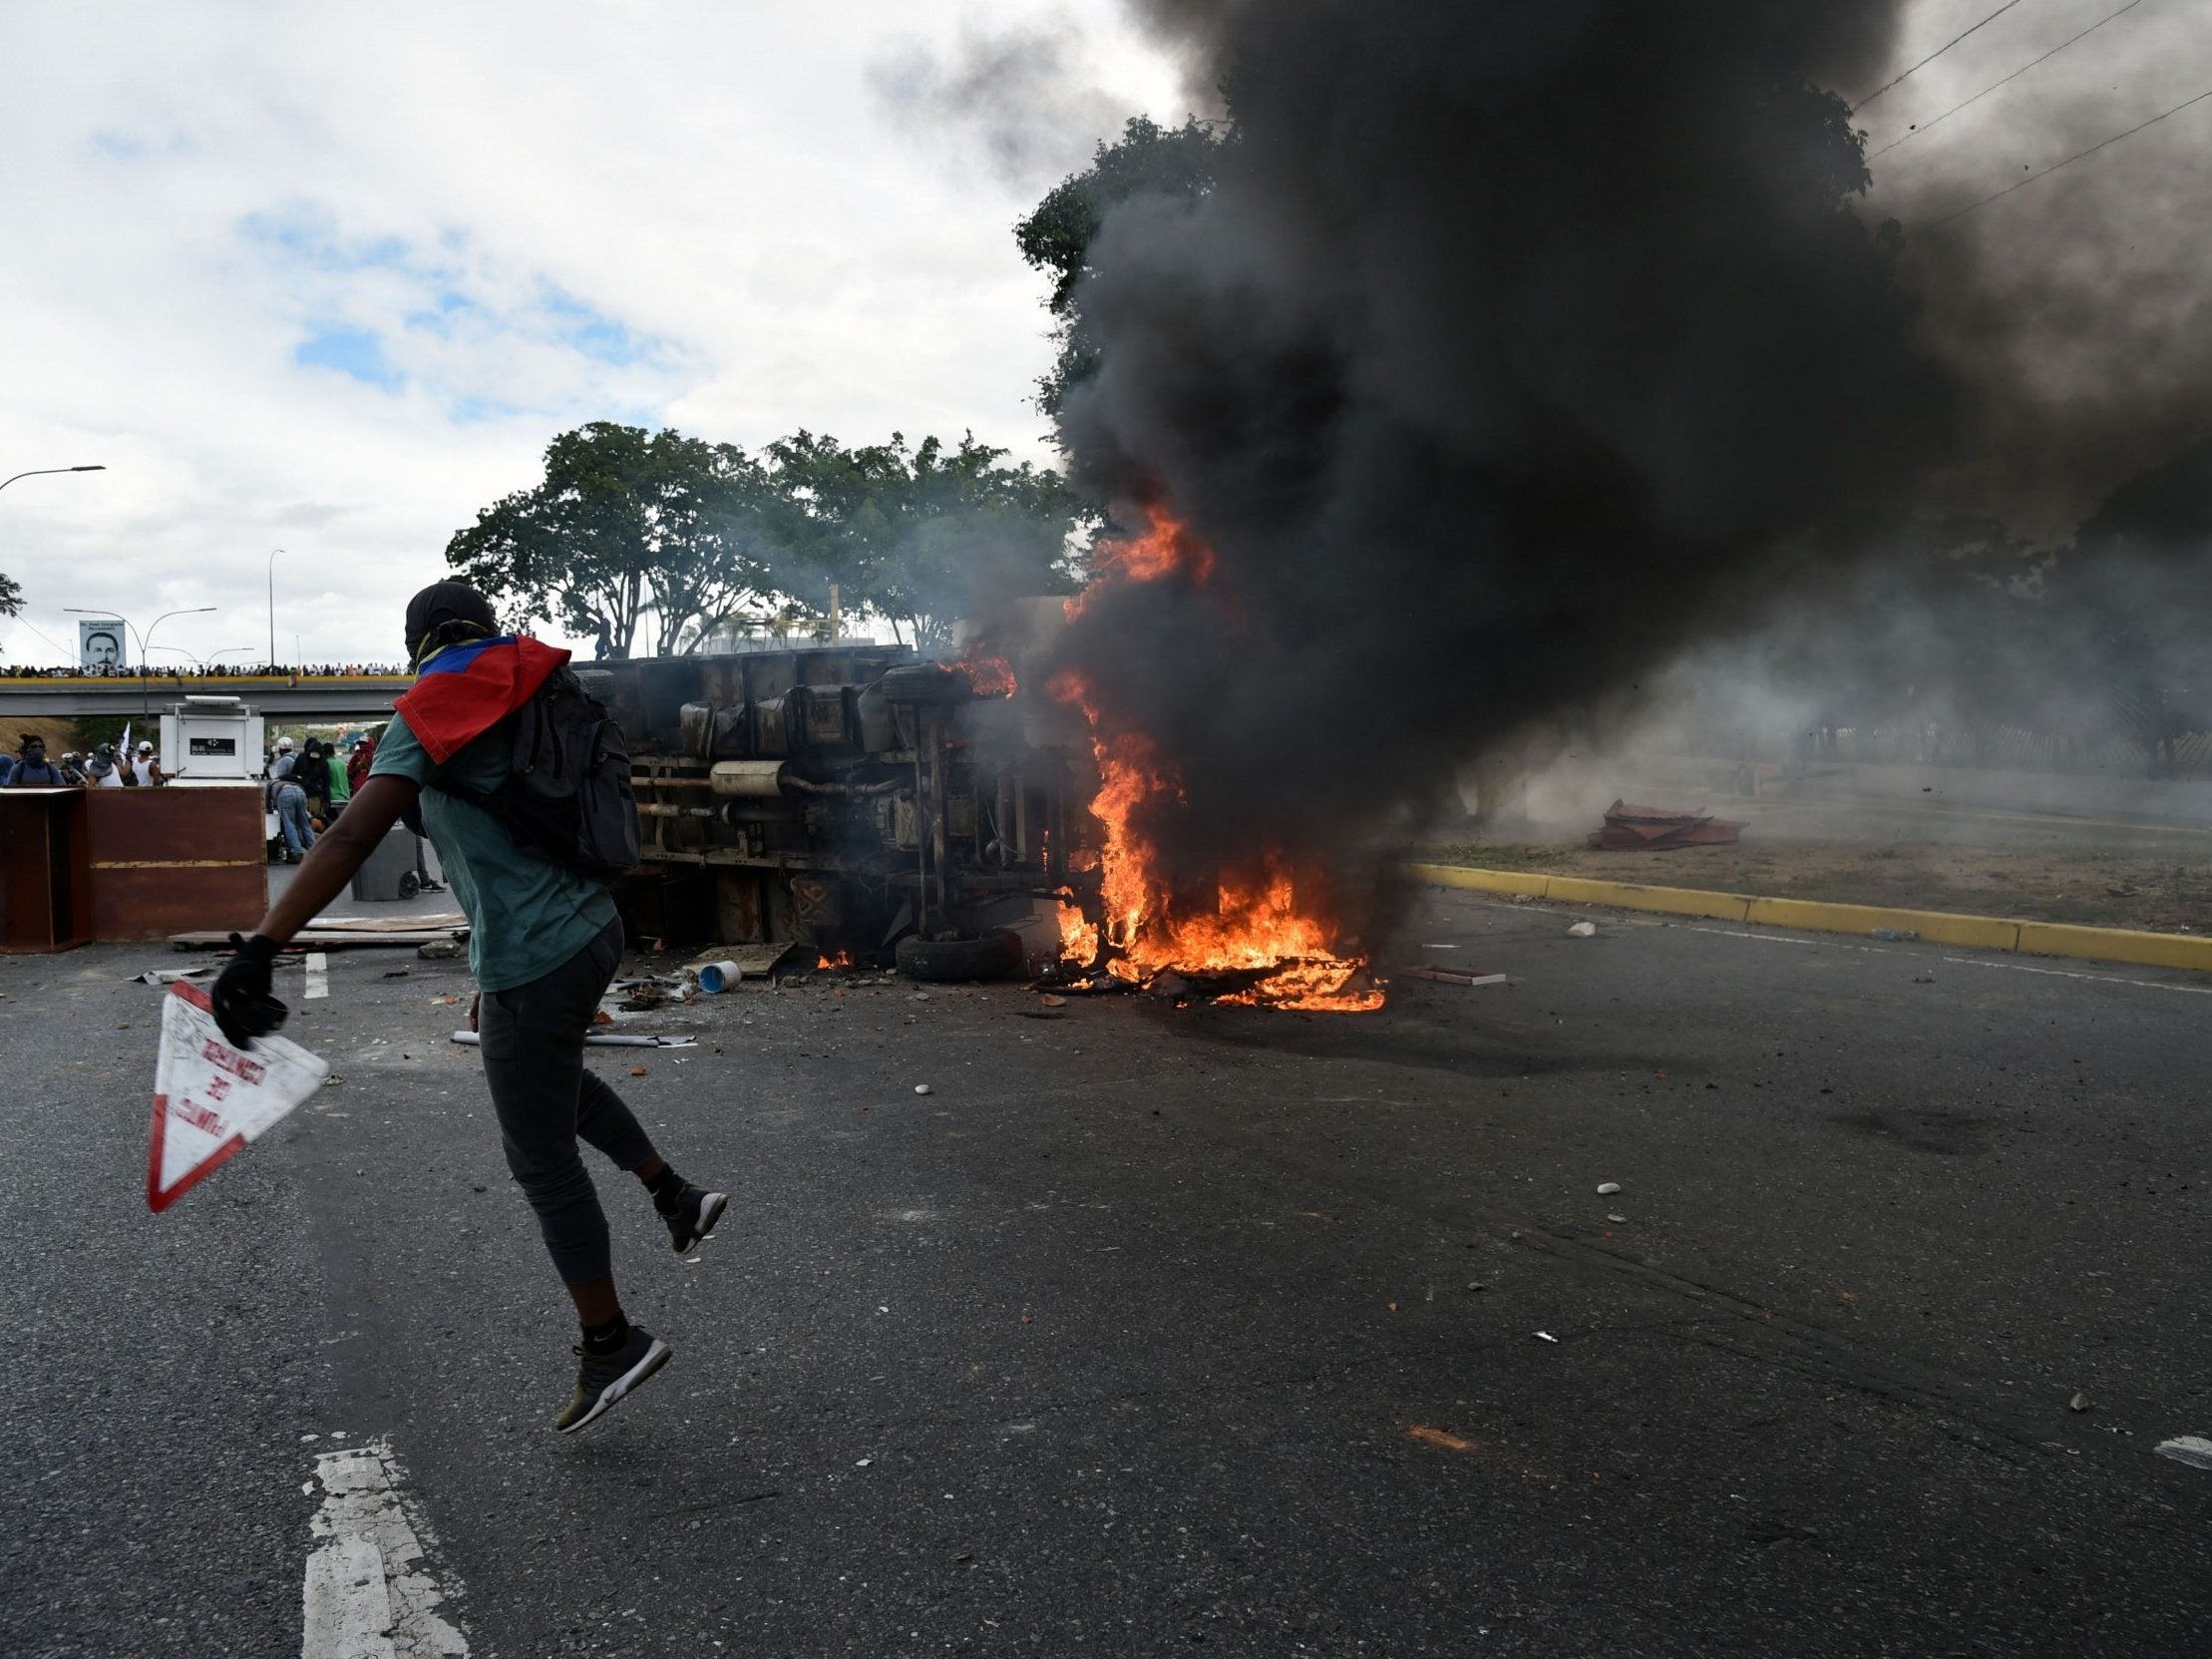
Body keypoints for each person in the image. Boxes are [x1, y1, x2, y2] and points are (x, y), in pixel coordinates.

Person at [210, 580, 722, 1435]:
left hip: (537, 952)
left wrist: (263, 946)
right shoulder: (545, 683)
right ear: (485, 628)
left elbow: (348, 835)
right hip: (591, 927)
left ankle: (611, 1341)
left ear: (417, 642)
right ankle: (672, 1192)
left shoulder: (431, 707)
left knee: (541, 1158)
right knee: (549, 1076)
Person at [269, 735, 314, 861]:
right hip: (300, 791)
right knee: (304, 822)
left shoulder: (284, 761)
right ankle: (314, 849)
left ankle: (296, 851)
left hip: (285, 793)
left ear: (280, 750)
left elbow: (280, 778)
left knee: (290, 824)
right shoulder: (298, 758)